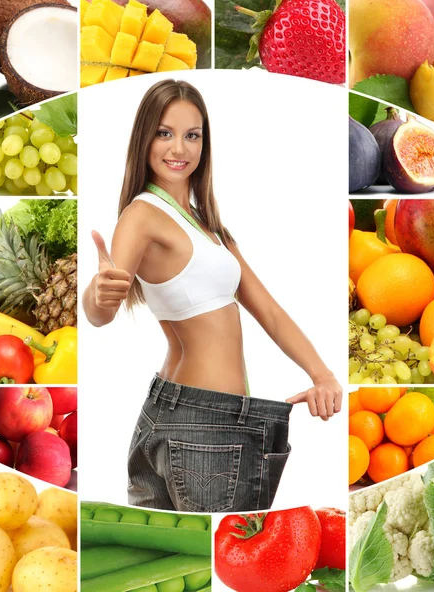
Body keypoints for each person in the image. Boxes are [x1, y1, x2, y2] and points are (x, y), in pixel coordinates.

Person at [83, 79, 342, 513]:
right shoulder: (142, 214)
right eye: (164, 133)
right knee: (216, 569)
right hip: (207, 430)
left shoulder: (206, 223)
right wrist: (99, 294)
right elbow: (100, 313)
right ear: (144, 138)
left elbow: (269, 311)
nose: (178, 148)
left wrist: (323, 375)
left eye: (192, 135)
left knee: (168, 570)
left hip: (175, 411)